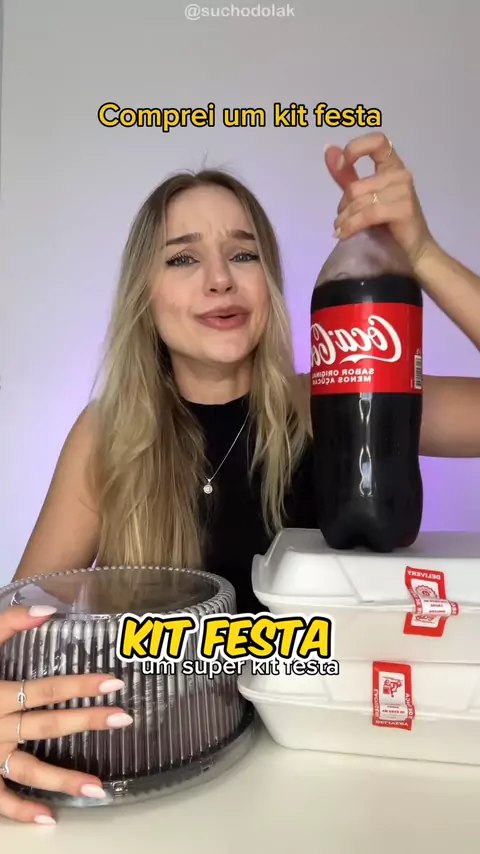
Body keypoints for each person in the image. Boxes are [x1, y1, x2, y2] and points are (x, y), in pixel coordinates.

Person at [1, 131, 480, 824]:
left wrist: (424, 254)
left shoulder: (343, 394)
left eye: (243, 253)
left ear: (269, 283)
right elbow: (18, 637)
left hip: (343, 766)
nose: (220, 278)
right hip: (177, 780)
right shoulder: (108, 436)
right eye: (183, 257)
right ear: (144, 294)